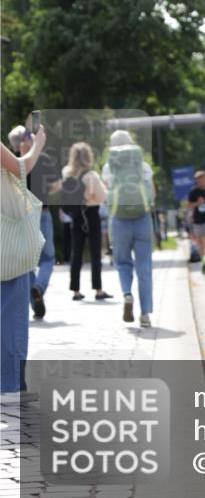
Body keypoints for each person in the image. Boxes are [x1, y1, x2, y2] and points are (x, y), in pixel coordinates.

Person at [1, 126, 47, 399]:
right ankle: (11, 384)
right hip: (6, 239)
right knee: (12, 314)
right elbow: (21, 167)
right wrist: (38, 144)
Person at [102, 130, 156, 328]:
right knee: (144, 266)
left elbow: (107, 194)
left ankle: (127, 294)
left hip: (119, 219)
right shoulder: (143, 166)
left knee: (123, 263)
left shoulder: (108, 167)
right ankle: (145, 314)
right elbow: (152, 193)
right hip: (142, 218)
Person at [8, 124, 60, 320]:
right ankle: (39, 287)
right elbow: (56, 185)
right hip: (42, 213)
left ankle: (35, 301)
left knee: (27, 262)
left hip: (20, 216)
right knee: (48, 257)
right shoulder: (42, 158)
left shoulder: (12, 161)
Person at [62, 142, 112, 302]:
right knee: (96, 253)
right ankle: (98, 289)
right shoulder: (91, 175)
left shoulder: (67, 174)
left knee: (76, 253)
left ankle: (75, 290)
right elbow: (102, 197)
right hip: (91, 215)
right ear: (88, 156)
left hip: (76, 217)